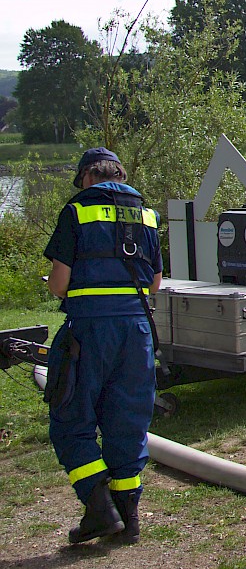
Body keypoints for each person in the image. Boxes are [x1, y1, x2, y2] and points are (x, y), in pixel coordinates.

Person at [43, 147, 162, 545]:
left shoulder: (77, 211)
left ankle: (99, 510)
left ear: (87, 178)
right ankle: (129, 519)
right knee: (127, 421)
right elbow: (155, 283)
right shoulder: (147, 215)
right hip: (136, 330)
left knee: (69, 419)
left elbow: (60, 284)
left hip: (90, 330)